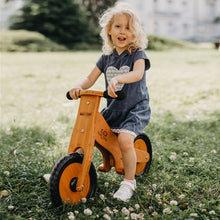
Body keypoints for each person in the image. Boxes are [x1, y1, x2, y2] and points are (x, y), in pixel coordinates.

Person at [69, 2, 151, 202]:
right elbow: (90, 79)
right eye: (118, 26)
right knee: (88, 129)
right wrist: (79, 87)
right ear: (109, 30)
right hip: (114, 109)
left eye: (128, 27)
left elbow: (138, 73)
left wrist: (118, 78)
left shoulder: (137, 54)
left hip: (134, 109)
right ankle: (72, 167)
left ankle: (129, 182)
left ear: (135, 33)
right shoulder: (106, 57)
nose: (122, 31)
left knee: (124, 140)